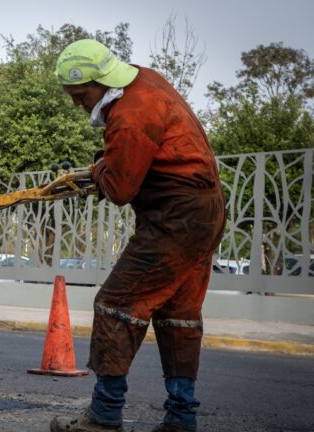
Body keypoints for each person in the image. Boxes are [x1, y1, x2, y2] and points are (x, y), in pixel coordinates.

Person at [50, 40, 226, 432]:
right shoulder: (146, 81)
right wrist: (103, 167)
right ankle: (181, 418)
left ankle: (104, 416)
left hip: (176, 218)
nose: (78, 105)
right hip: (203, 212)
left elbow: (119, 187)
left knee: (116, 305)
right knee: (178, 315)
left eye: (80, 96)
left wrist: (96, 171)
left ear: (98, 82)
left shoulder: (130, 114)